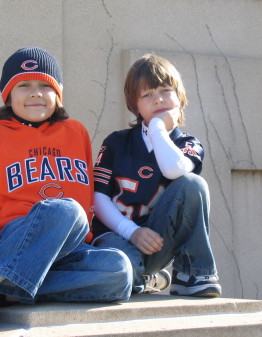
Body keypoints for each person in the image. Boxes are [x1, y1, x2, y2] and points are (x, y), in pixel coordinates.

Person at [0, 47, 133, 333]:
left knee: (119, 271)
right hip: (10, 238)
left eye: (45, 85)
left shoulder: (75, 132)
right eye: (23, 85)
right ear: (8, 94)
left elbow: (88, 197)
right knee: (67, 209)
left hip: (66, 248)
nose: (35, 93)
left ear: (58, 94)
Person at [92, 53, 221, 298]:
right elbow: (98, 198)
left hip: (156, 243)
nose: (158, 99)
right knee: (122, 273)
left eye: (165, 90)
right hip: (116, 237)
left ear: (179, 97)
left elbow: (173, 170)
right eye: (147, 95)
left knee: (193, 183)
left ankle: (191, 273)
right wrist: (131, 231)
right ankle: (144, 278)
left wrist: (158, 128)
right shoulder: (116, 142)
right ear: (135, 105)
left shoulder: (188, 144)